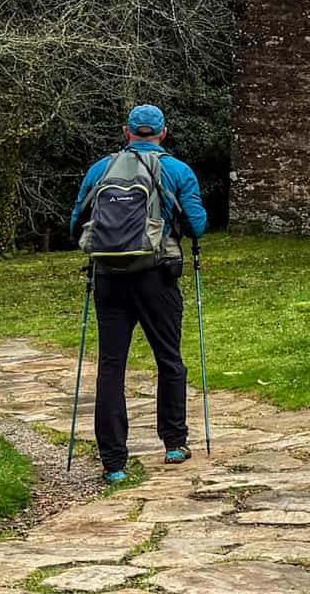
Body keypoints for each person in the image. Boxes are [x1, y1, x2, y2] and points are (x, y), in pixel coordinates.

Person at [71, 104, 206, 483]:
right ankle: (174, 443)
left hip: (109, 278)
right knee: (169, 358)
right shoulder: (178, 171)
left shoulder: (102, 169)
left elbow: (75, 223)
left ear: (126, 133)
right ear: (163, 133)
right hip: (157, 276)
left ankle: (114, 464)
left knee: (111, 367)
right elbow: (197, 225)